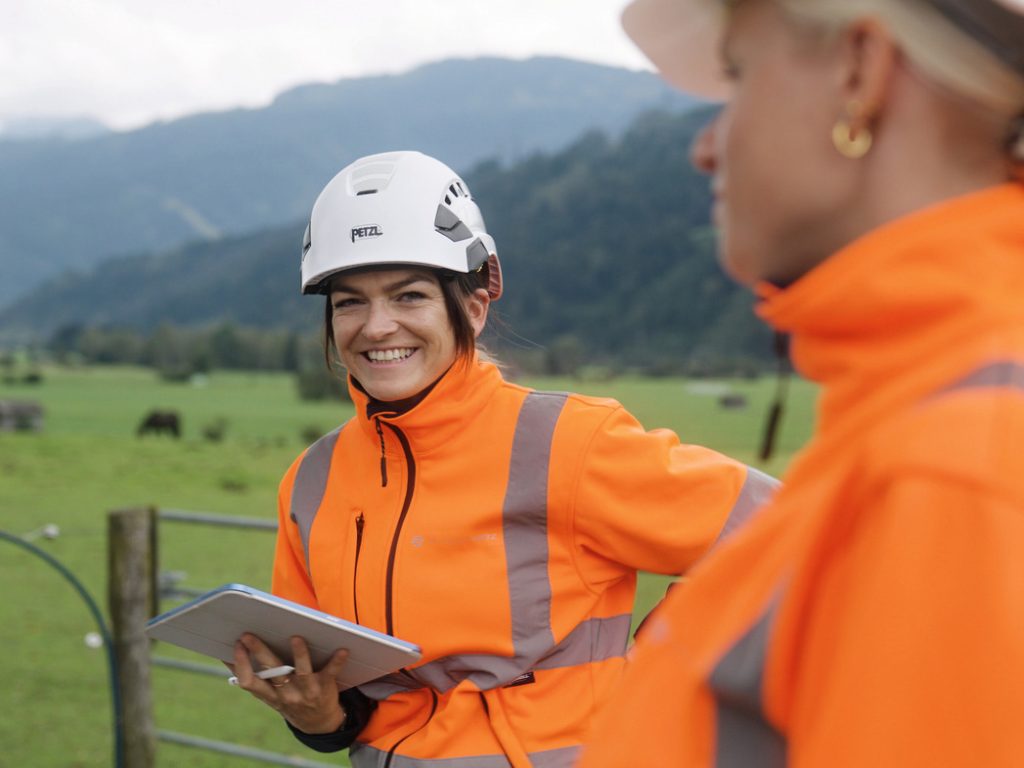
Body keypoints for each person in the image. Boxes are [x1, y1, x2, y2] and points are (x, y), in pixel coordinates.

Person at [578, 1, 1024, 766]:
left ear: (860, 73)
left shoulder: (952, 470)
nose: (705, 148)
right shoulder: (919, 420)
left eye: (737, 76)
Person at [226, 150, 778, 767]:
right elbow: (336, 694)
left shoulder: (567, 444)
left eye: (408, 296)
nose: (377, 326)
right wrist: (318, 714)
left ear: (473, 305)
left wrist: (656, 675)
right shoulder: (312, 482)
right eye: (349, 302)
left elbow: (785, 531)